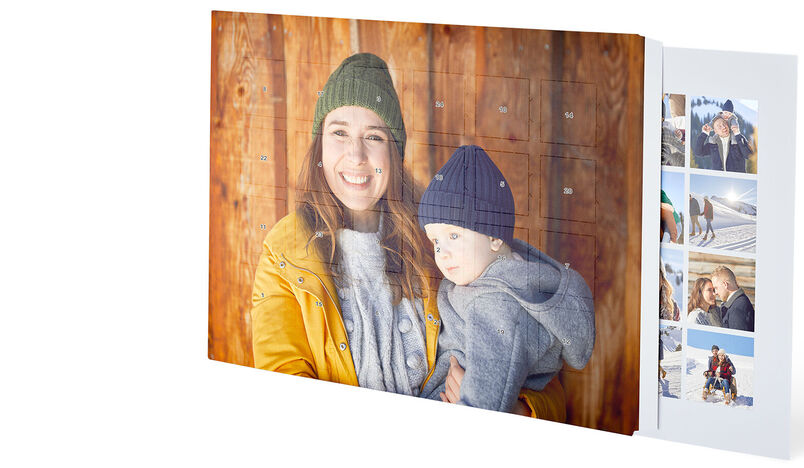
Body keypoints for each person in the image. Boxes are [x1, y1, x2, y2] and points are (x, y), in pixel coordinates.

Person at [249, 53, 565, 420]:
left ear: (394, 152)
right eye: (339, 132)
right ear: (319, 144)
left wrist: (513, 409)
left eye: (374, 136)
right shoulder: (284, 251)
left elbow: (538, 357)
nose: (356, 155)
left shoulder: (442, 237)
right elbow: (279, 386)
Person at [416, 145, 595, 412]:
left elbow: (488, 393)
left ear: (494, 237)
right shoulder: (503, 271)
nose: (442, 252)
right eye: (436, 241)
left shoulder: (496, 302)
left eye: (453, 236)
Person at [712, 266, 755, 332]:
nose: (716, 292)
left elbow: (739, 341)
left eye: (716, 288)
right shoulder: (736, 304)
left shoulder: (738, 308)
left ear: (725, 284)